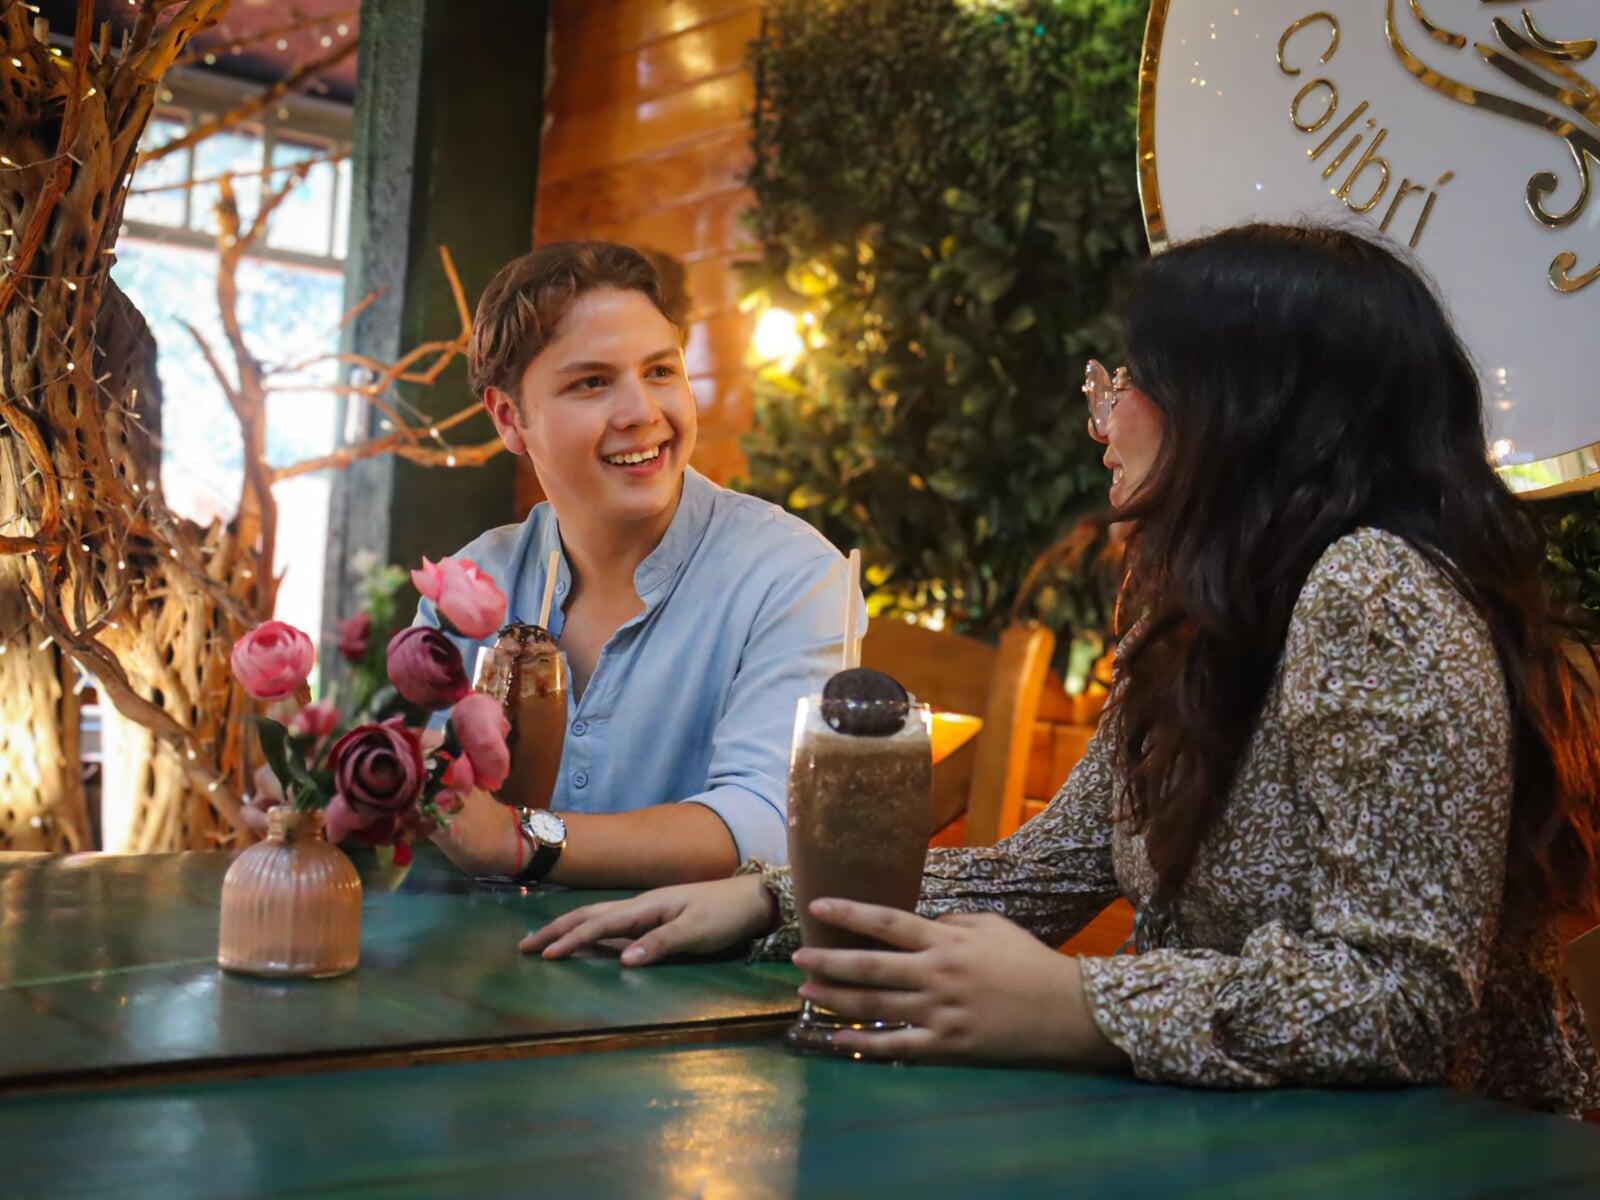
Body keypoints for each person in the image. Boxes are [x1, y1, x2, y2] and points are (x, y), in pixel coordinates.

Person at [522, 224, 1600, 1115]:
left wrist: (1083, 1004)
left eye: (1133, 380)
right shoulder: (1195, 609)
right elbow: (1038, 873)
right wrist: (769, 903)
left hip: (1447, 1156)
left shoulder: (1376, 592)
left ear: (1244, 410)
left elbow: (1405, 1001)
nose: (1103, 412)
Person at [421, 241, 859, 889]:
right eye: (592, 383)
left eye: (660, 371)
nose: (642, 413)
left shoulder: (793, 577)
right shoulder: (473, 583)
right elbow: (426, 794)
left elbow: (770, 822)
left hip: (702, 958)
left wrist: (516, 841)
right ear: (510, 418)